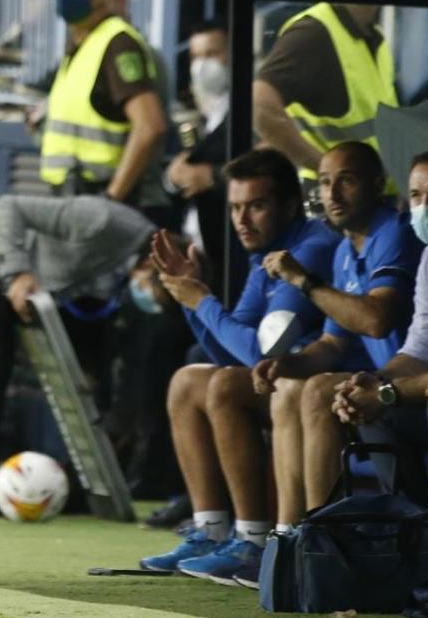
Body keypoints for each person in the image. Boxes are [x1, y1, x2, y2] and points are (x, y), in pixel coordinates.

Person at [141, 148, 340, 588]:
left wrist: (202, 301)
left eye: (256, 205)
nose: (242, 220)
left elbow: (257, 355)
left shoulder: (310, 248)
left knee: (226, 387)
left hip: (321, 382)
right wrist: (191, 298)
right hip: (277, 382)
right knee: (188, 381)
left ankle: (253, 539)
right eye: (234, 207)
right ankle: (211, 530)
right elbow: (230, 349)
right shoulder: (261, 256)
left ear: (289, 206)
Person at [0, 194, 155, 514]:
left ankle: (85, 486)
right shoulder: (104, 220)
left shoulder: (130, 256)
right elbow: (10, 205)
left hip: (46, 291)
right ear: (153, 263)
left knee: (91, 377)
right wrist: (17, 271)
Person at [252, 141, 422, 527]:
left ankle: (320, 537)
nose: (332, 194)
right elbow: (331, 344)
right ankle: (287, 535)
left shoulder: (396, 233)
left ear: (377, 185)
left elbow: (376, 320)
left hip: (416, 382)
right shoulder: (345, 250)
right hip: (386, 380)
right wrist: (284, 364)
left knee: (317, 390)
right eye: (325, 183)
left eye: (346, 181)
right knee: (288, 387)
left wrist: (304, 281)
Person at [332, 147, 428, 505]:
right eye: (416, 196)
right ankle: (409, 537)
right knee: (375, 412)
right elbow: (421, 348)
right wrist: (373, 384)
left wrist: (388, 390)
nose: (425, 208)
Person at [252, 1, 397, 210]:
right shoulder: (313, 33)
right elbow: (260, 107)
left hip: (375, 200)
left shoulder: (374, 34)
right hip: (338, 206)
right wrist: (327, 172)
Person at [38, 0, 167, 210]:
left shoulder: (118, 43)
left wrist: (111, 199)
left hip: (100, 198)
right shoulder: (83, 42)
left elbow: (150, 126)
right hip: (71, 197)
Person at [166, 19, 230, 272]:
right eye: (195, 57)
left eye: (212, 54)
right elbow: (177, 167)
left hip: (226, 250)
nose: (202, 65)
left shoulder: (251, 109)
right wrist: (173, 177)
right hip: (195, 245)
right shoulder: (192, 110)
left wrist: (212, 177)